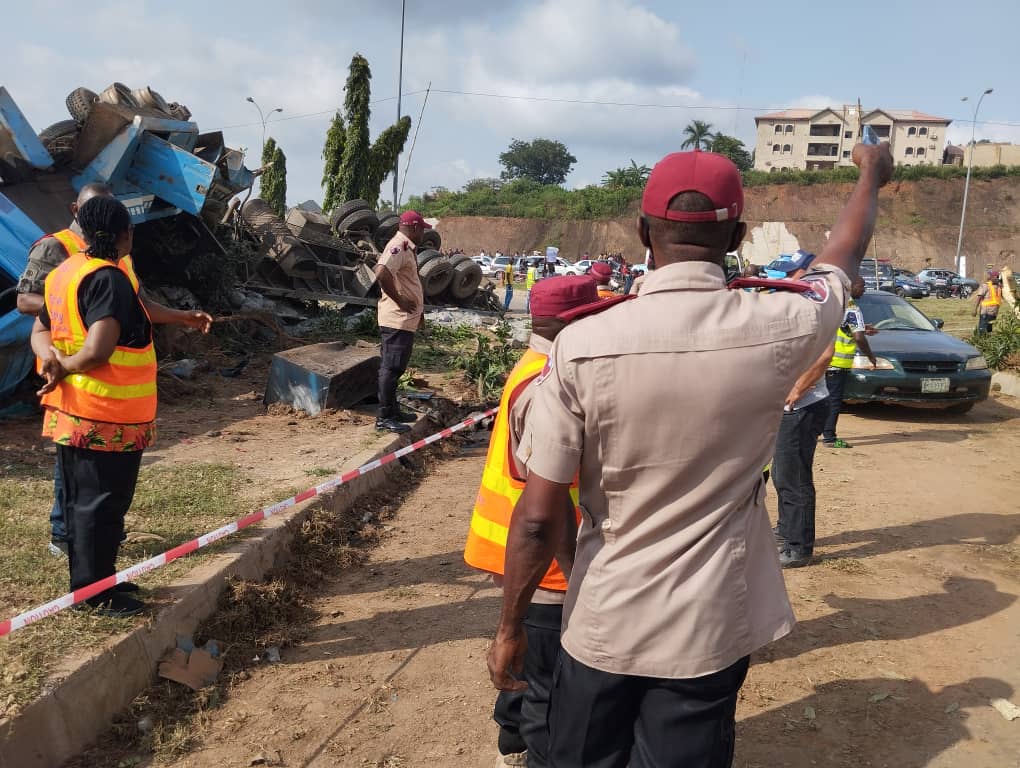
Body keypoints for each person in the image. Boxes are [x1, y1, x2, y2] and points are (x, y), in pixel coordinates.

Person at [487, 143, 893, 768]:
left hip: (602, 620)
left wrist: (512, 627)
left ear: (642, 232)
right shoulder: (784, 322)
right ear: (738, 235)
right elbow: (842, 254)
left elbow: (539, 516)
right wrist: (870, 174)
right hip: (706, 628)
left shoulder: (581, 346)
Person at [466, 276, 629, 768]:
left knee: (528, 666)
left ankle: (511, 742)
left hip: (518, 551)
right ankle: (525, 752)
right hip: (546, 565)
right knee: (545, 684)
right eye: (595, 314)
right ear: (571, 323)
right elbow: (550, 502)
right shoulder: (548, 387)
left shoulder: (534, 364)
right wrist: (576, 566)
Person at [17, 182, 212, 556]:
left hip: (108, 391)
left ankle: (95, 540)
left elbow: (136, 302)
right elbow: (28, 302)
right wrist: (82, 311)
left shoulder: (118, 257)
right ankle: (66, 536)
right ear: (78, 210)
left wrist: (182, 318)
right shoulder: (57, 249)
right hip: (75, 375)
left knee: (102, 478)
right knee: (77, 465)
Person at [30, 197, 160, 617]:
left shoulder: (64, 273)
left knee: (88, 502)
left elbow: (40, 330)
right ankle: (92, 594)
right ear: (124, 235)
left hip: (76, 411)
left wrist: (50, 359)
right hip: (105, 413)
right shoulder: (109, 279)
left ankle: (101, 580)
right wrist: (65, 366)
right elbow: (99, 349)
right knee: (100, 504)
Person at [374, 211, 426, 434]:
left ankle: (393, 410)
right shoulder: (399, 246)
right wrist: (400, 300)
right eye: (422, 229)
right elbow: (381, 272)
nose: (423, 233)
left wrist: (418, 313)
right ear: (414, 228)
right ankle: (384, 417)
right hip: (396, 319)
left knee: (396, 368)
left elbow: (409, 283)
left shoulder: (406, 247)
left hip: (404, 320)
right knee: (391, 368)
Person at [822, 276, 876, 448]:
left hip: (822, 361)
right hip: (838, 364)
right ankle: (829, 437)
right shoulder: (852, 308)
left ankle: (814, 432)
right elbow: (858, 337)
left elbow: (844, 328)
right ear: (851, 286)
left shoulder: (834, 302)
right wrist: (870, 356)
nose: (864, 290)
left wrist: (862, 327)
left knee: (819, 399)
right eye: (862, 286)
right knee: (834, 401)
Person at [973, 270, 1002, 334]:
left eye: (998, 277)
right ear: (991, 277)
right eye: (996, 277)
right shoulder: (985, 286)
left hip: (993, 314)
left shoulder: (999, 287)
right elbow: (979, 298)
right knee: (982, 331)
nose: (997, 278)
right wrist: (975, 309)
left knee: (989, 331)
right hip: (985, 313)